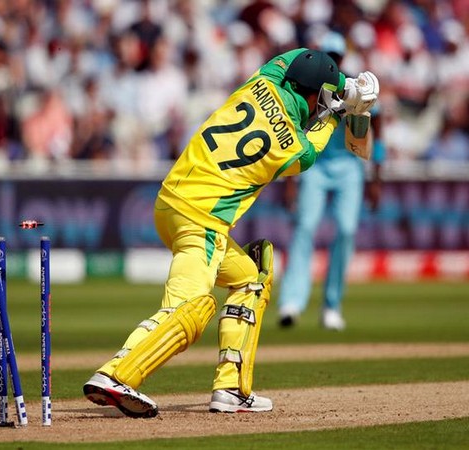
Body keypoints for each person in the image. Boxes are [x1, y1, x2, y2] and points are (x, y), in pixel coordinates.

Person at [83, 47, 379, 418]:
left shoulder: (261, 81)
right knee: (190, 310)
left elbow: (295, 57)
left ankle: (231, 388)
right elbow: (311, 149)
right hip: (202, 221)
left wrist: (341, 88)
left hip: (169, 203)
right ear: (314, 93)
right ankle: (115, 374)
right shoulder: (291, 148)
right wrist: (345, 106)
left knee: (251, 277)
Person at [277, 32, 386, 331]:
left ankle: (331, 307)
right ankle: (291, 302)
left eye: (337, 58)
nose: (334, 63)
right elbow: (295, 132)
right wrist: (289, 180)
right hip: (315, 165)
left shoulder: (355, 88)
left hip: (349, 167)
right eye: (330, 57)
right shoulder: (309, 87)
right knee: (305, 227)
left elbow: (378, 127)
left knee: (347, 230)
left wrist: (376, 178)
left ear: (342, 58)